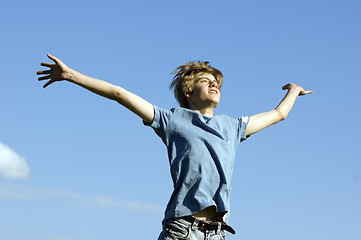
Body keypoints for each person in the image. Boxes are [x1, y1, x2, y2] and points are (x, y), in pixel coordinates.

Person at [37, 54, 313, 240]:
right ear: (188, 93)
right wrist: (72, 75)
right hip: (182, 230)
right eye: (206, 81)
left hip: (217, 233)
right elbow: (119, 94)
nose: (214, 84)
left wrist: (293, 91)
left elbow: (278, 115)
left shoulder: (233, 126)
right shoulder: (173, 120)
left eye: (216, 82)